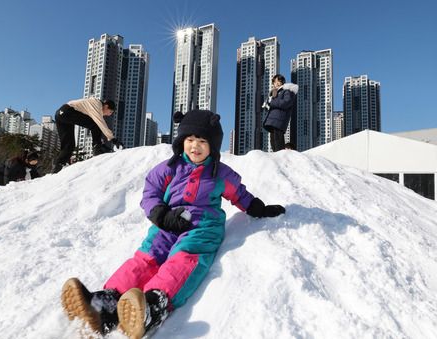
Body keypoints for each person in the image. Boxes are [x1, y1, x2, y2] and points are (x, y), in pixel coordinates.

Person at [61, 110, 286, 338]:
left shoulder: (220, 173)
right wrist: (160, 215)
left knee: (183, 260)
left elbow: (239, 193)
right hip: (168, 223)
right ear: (182, 142)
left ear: (213, 147)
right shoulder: (170, 167)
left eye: (202, 141)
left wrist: (258, 208)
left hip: (202, 227)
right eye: (189, 140)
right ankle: (105, 304)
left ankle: (152, 304)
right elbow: (150, 193)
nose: (195, 146)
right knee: (145, 258)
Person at [53, 97, 124, 173]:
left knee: (68, 145)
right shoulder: (97, 105)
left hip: (60, 114)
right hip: (68, 111)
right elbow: (100, 123)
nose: (108, 115)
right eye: (110, 112)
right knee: (96, 124)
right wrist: (113, 139)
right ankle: (97, 148)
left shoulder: (92, 104)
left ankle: (58, 166)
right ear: (106, 106)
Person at [263, 74, 298, 152]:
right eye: (274, 82)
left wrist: (272, 102)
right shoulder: (274, 93)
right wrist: (267, 105)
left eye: (278, 81)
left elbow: (286, 102)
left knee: (278, 140)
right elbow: (273, 105)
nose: (276, 83)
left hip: (279, 119)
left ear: (282, 82)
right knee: (273, 141)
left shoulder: (287, 91)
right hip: (273, 120)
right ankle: (276, 157)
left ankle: (280, 157)